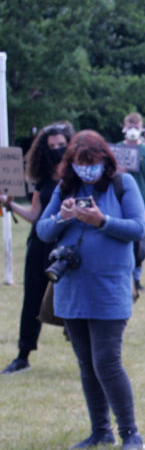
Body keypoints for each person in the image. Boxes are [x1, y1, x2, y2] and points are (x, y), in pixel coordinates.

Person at [35, 130, 145, 450]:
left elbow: (137, 228)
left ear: (104, 160)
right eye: (80, 163)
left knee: (107, 363)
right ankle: (100, 432)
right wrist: (63, 217)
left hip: (109, 289)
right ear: (71, 163)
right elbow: (43, 230)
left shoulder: (123, 184)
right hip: (72, 290)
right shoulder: (65, 187)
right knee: (87, 364)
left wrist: (102, 221)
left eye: (92, 162)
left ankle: (130, 433)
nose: (87, 169)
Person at [1, 122, 75, 374]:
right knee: (32, 298)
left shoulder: (77, 176)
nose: (57, 149)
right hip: (40, 245)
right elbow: (35, 215)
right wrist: (9, 204)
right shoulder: (43, 180)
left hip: (67, 247)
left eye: (61, 145)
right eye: (52, 146)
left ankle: (86, 354)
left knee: (73, 300)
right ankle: (23, 355)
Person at [120, 112, 145, 292]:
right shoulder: (116, 150)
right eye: (130, 126)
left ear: (141, 128)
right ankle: (124, 275)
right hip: (119, 201)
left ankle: (136, 277)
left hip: (140, 202)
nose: (133, 130)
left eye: (136, 126)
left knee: (140, 243)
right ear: (124, 128)